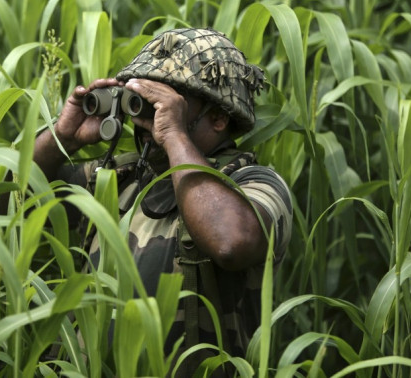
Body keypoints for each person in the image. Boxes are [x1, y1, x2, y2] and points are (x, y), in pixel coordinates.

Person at [32, 27, 293, 375]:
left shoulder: (252, 183)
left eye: (165, 102)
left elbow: (232, 241)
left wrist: (173, 134)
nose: (146, 118)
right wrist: (62, 136)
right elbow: (11, 202)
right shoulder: (120, 177)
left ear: (218, 118)